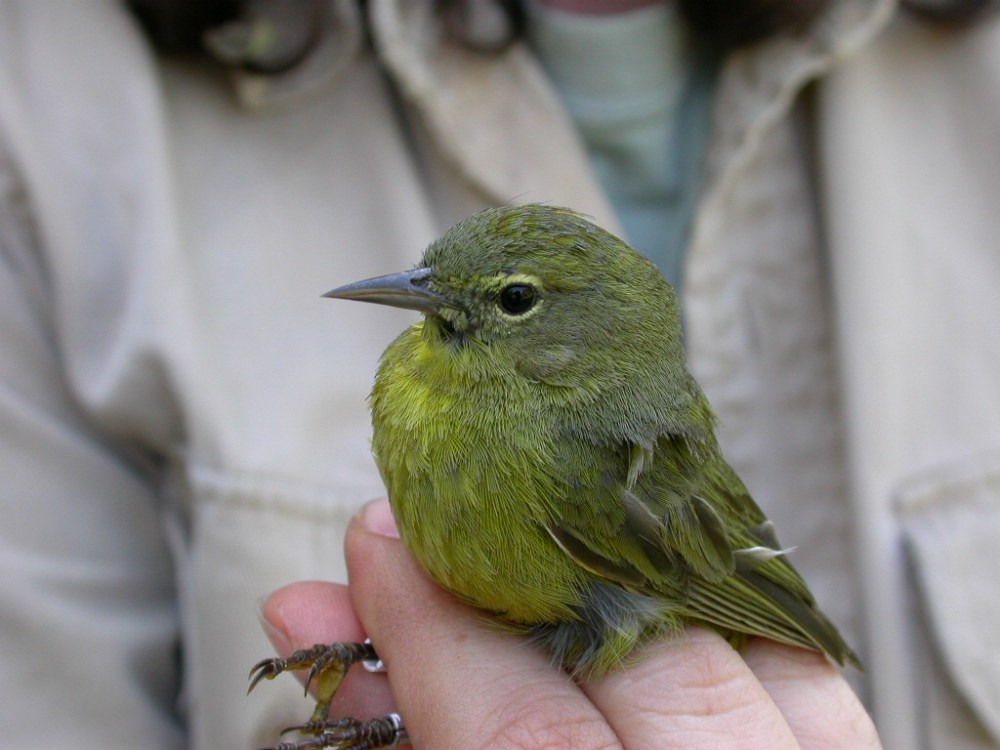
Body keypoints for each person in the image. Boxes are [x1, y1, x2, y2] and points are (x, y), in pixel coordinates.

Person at [0, 1, 997, 748]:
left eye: (507, 299)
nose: (436, 304)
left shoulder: (586, 447)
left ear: (565, 338)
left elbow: (731, 583)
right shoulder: (51, 87)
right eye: (437, 282)